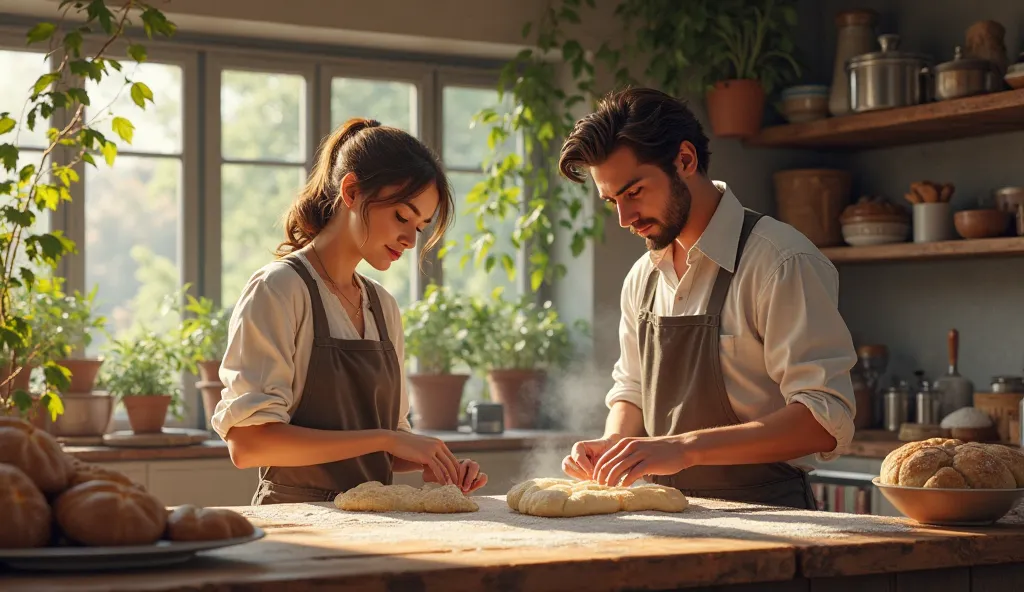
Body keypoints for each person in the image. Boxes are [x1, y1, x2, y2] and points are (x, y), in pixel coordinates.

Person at [556, 88, 858, 509]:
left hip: (773, 521)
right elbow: (633, 389)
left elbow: (824, 419)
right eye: (612, 202)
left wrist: (683, 448)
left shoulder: (780, 261)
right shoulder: (643, 277)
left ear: (685, 160)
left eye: (634, 192)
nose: (624, 219)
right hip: (661, 521)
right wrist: (613, 447)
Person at [211, 117, 488, 505]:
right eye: (402, 217)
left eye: (421, 226)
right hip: (296, 525)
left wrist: (430, 458)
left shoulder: (383, 307)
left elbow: (387, 442)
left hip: (374, 520)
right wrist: (387, 439)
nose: (410, 239)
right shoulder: (279, 289)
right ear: (352, 191)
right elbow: (250, 444)